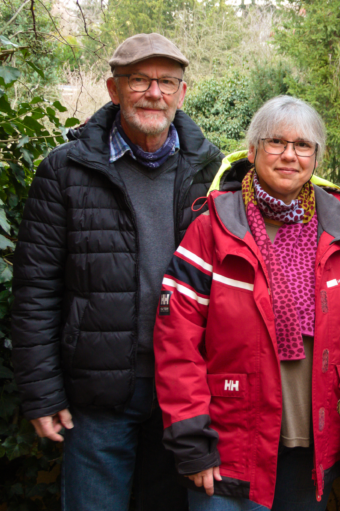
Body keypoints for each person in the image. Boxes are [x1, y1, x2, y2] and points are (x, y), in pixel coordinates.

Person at [10, 33, 223, 510]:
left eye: (167, 82)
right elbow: (35, 290)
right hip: (98, 396)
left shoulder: (212, 172)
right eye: (140, 80)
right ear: (113, 89)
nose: (155, 93)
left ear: (182, 93)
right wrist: (41, 392)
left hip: (186, 394)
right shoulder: (66, 171)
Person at [153, 95, 340, 511]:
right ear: (253, 151)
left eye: (303, 145)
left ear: (316, 157)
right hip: (228, 447)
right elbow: (176, 344)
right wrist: (191, 443)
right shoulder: (213, 228)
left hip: (312, 449)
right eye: (276, 142)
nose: (289, 155)